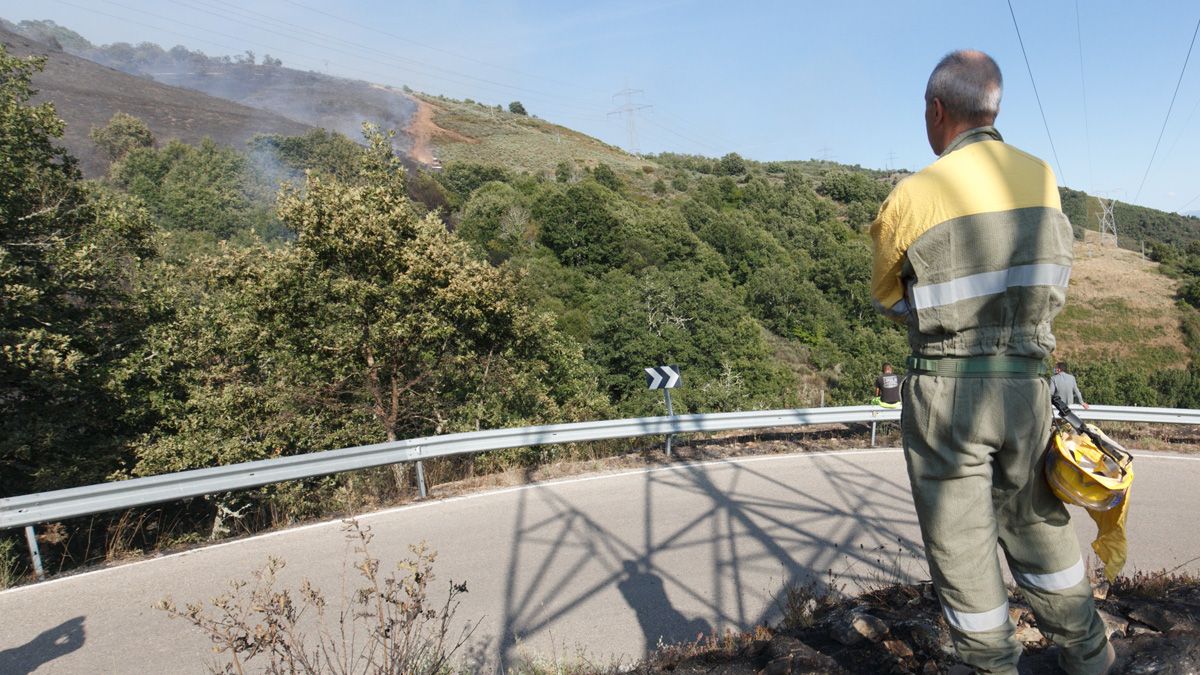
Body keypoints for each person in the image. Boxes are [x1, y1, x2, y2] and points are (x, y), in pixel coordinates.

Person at [869, 50, 1114, 674]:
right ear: (993, 108)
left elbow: (891, 300)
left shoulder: (914, 195)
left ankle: (991, 667)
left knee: (961, 546)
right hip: (1028, 387)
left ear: (936, 110)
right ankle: (1089, 656)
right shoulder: (1041, 177)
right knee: (1037, 523)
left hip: (949, 394)